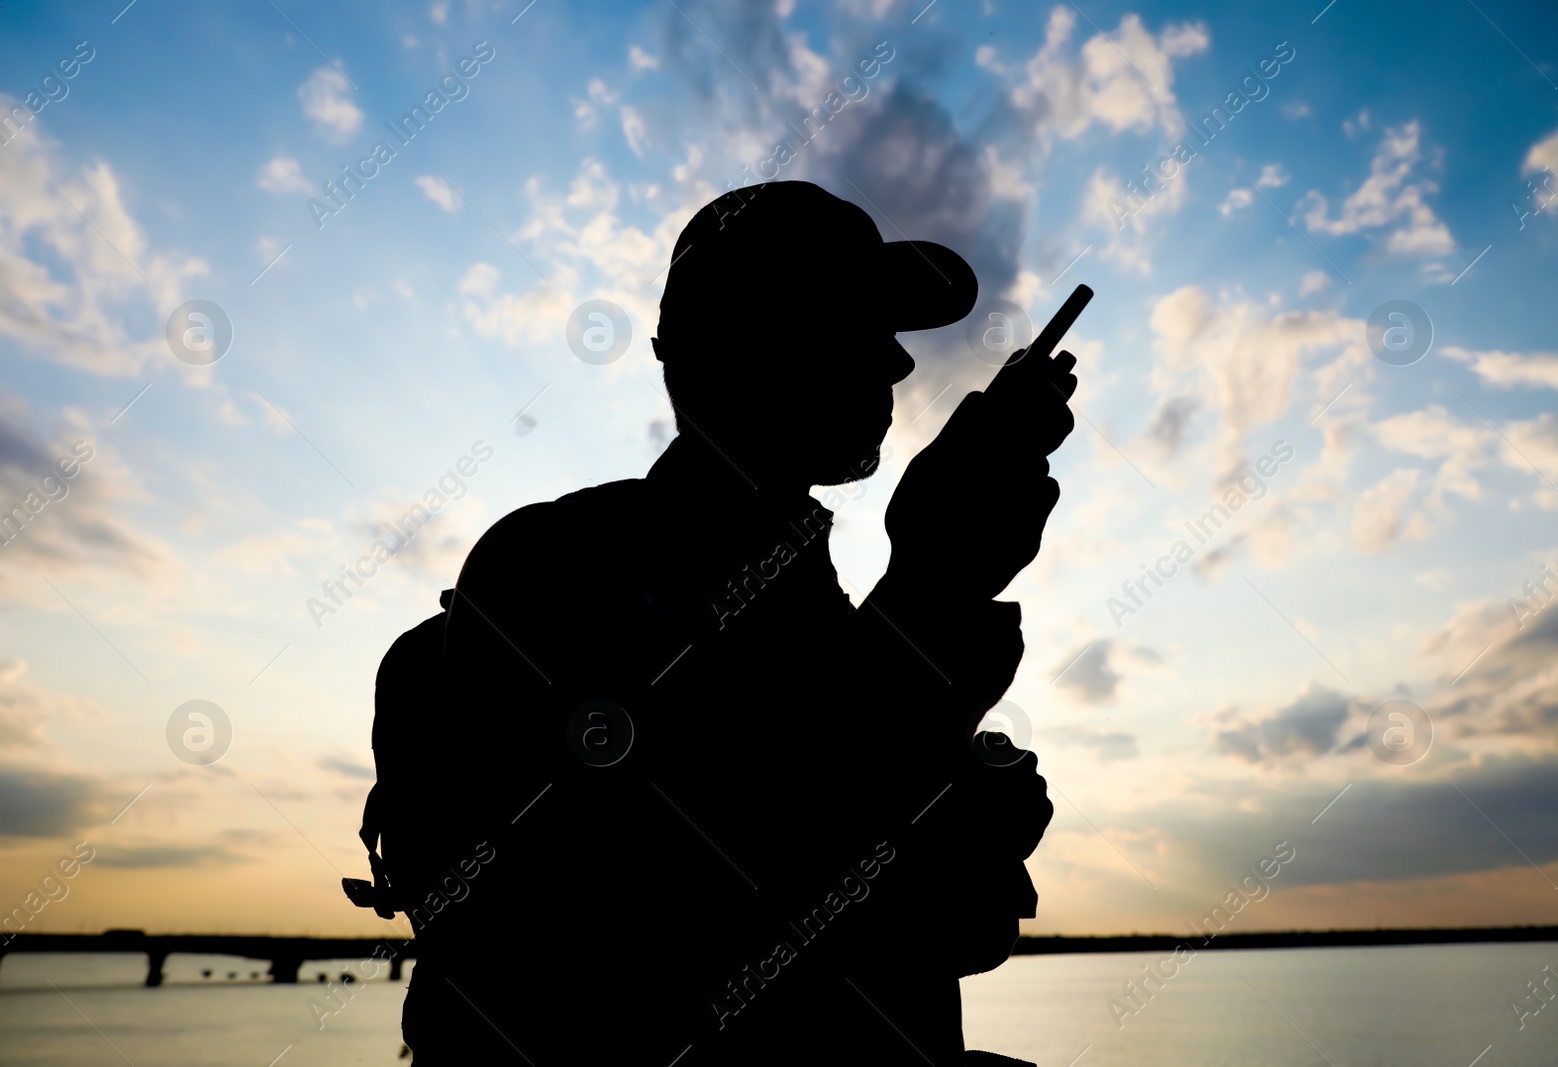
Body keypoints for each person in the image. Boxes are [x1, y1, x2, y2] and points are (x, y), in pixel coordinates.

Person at [383, 180, 1076, 1064]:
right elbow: (715, 924)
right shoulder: (563, 570)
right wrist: (936, 579)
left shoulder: (803, 600)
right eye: (859, 322)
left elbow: (907, 887)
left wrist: (965, 811)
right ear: (748, 341)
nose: (898, 363)